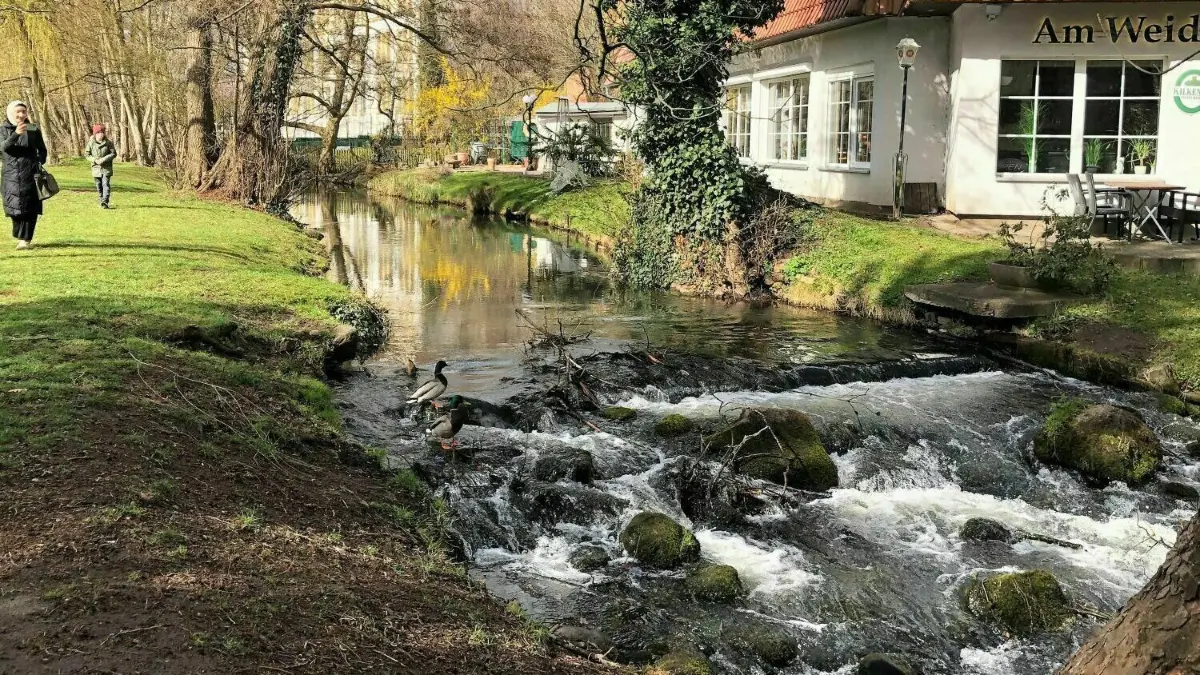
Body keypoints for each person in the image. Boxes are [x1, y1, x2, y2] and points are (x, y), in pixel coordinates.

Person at [0, 100, 47, 250]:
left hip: (31, 174)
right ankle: (19, 234)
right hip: (11, 175)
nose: (21, 115)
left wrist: (39, 161)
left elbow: (43, 150)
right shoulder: (2, 129)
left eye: (24, 112)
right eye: (18, 111)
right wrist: (16, 134)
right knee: (14, 209)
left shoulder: (33, 129)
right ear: (11, 113)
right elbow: (3, 148)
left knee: (30, 208)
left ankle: (25, 240)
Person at [85, 124, 116, 208]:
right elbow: (87, 155)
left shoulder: (109, 143)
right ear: (95, 134)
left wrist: (104, 159)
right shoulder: (91, 143)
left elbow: (113, 154)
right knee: (99, 186)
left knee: (105, 184)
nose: (101, 134)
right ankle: (101, 199)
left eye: (102, 132)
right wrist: (95, 160)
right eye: (99, 133)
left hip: (106, 168)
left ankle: (105, 201)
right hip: (95, 168)